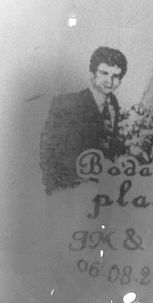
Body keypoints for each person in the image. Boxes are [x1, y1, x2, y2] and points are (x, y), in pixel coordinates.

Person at [40, 46, 129, 193]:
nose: (110, 81)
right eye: (104, 73)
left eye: (116, 76)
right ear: (92, 74)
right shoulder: (66, 104)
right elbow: (49, 154)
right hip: (71, 191)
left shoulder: (115, 105)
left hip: (103, 192)